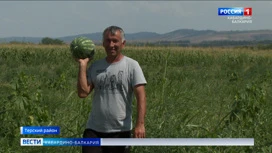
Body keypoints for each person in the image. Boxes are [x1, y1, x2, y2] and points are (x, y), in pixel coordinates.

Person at [76, 25, 147, 153]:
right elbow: (82, 93)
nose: (111, 44)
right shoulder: (96, 66)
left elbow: (141, 96)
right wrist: (83, 65)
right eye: (108, 41)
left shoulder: (132, 66)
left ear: (123, 43)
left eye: (115, 40)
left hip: (121, 131)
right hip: (94, 130)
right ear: (103, 43)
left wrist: (140, 124)